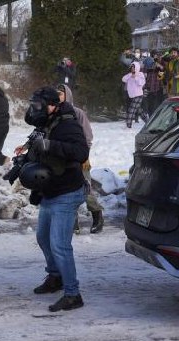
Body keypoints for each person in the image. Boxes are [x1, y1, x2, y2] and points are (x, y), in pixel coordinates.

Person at [20, 86, 89, 312]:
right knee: (43, 238)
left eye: (38, 105)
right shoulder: (47, 122)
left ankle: (73, 294)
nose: (35, 109)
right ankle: (56, 276)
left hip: (67, 192)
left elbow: (81, 152)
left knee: (60, 245)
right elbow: (35, 137)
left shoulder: (68, 124)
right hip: (50, 190)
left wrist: (51, 146)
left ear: (52, 106)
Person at [57, 84, 104, 234]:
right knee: (66, 190)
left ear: (67, 95)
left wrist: (85, 156)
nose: (58, 96)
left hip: (79, 157)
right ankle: (73, 221)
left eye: (61, 93)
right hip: (63, 158)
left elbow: (88, 136)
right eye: (56, 93)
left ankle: (97, 215)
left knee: (85, 188)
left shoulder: (78, 113)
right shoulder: (55, 113)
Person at [121, 61, 148, 128]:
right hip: (132, 96)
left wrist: (135, 77)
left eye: (134, 67)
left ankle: (128, 126)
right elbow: (123, 79)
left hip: (138, 95)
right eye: (132, 67)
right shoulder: (129, 75)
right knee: (139, 111)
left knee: (131, 110)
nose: (132, 69)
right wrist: (130, 75)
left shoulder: (140, 74)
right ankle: (148, 122)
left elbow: (141, 83)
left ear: (137, 68)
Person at [143, 50, 165, 115]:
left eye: (157, 55)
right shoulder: (147, 63)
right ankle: (149, 116)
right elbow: (144, 75)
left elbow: (160, 76)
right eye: (155, 55)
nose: (157, 57)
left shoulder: (159, 65)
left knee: (154, 106)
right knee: (149, 106)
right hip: (148, 88)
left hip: (156, 89)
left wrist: (160, 68)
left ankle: (153, 116)